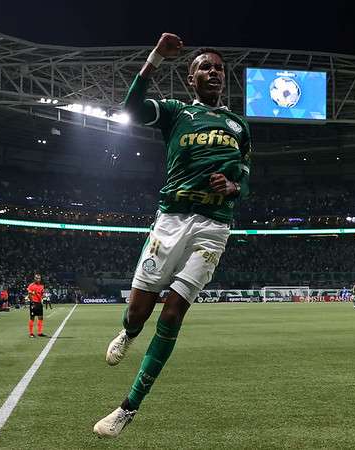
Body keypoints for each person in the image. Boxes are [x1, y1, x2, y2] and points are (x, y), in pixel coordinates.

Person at [94, 33, 252, 438]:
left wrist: (233, 188)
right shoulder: (177, 113)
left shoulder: (238, 126)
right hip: (170, 221)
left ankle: (127, 408)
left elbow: (246, 178)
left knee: (173, 313)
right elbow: (129, 108)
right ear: (190, 78)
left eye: (218, 67)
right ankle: (128, 332)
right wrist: (154, 58)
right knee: (139, 313)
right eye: (205, 67)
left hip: (213, 228)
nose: (214, 72)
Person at [26, 272, 45, 338]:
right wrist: (32, 301)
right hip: (33, 303)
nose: (38, 279)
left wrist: (43, 296)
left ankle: (39, 332)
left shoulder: (42, 286)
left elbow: (42, 294)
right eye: (37, 278)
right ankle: (31, 333)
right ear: (34, 278)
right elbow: (29, 294)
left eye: (39, 278)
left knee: (40, 317)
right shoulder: (31, 285)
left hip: (39, 303)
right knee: (32, 317)